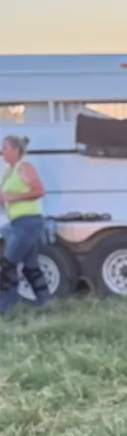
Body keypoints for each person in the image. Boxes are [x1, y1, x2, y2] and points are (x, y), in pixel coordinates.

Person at [0, 134, 52, 316]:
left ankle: (5, 311)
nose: (2, 152)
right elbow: (4, 198)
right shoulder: (9, 172)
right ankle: (48, 305)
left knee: (6, 266)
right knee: (31, 267)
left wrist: (12, 197)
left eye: (5, 148)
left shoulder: (25, 168)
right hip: (17, 223)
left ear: (15, 150)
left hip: (29, 222)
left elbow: (39, 191)